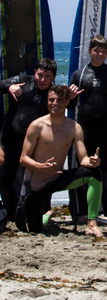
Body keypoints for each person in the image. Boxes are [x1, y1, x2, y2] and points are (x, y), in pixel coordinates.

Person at [17, 85, 103, 236]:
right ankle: (47, 215)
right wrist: (40, 166)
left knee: (94, 173)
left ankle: (91, 223)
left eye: (59, 100)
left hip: (57, 178)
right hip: (35, 186)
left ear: (67, 101)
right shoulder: (37, 125)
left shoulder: (74, 127)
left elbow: (83, 159)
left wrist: (93, 161)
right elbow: (23, 159)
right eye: (51, 100)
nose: (55, 103)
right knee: (34, 229)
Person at [67, 35, 107, 220]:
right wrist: (69, 97)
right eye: (96, 50)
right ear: (89, 51)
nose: (99, 54)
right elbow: (70, 108)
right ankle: (83, 214)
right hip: (85, 130)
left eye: (103, 51)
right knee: (84, 171)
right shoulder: (79, 74)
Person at [0, 57, 56, 224]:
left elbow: (66, 108)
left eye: (47, 76)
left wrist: (71, 98)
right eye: (40, 75)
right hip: (10, 138)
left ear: (53, 77)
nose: (43, 79)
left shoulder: (54, 94)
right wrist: (9, 86)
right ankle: (10, 215)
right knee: (3, 177)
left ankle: (39, 211)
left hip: (33, 145)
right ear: (35, 73)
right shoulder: (23, 81)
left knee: (25, 181)